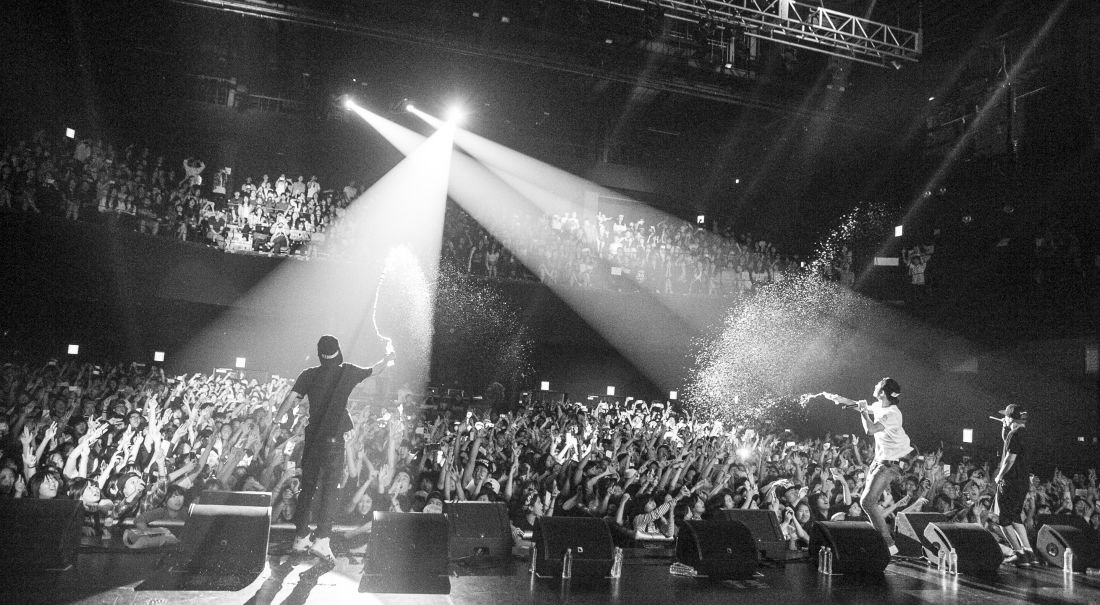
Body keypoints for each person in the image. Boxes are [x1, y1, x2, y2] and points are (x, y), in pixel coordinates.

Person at [274, 334, 395, 561]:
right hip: (333, 443)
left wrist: (275, 421)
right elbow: (375, 370)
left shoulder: (309, 374)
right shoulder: (346, 371)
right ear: (338, 352)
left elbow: (290, 399)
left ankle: (300, 538)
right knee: (330, 491)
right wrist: (388, 357)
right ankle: (322, 540)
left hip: (312, 441)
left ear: (320, 355)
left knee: (307, 488)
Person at [825, 377, 912, 556]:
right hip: (880, 462)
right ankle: (884, 542)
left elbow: (870, 429)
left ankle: (889, 545)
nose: (875, 385)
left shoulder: (893, 414)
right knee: (867, 502)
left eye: (878, 385)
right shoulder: (880, 406)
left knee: (867, 502)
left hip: (890, 465)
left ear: (883, 392)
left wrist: (864, 411)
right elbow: (859, 406)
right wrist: (840, 399)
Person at [992, 404, 1037, 567]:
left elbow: (1010, 458)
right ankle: (1029, 553)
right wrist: (1005, 427)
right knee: (1015, 517)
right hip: (1023, 482)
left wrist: (999, 476)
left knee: (1003, 519)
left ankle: (1018, 553)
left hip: (1010, 481)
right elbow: (1008, 442)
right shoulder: (1026, 434)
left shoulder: (1015, 434)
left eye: (1006, 416)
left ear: (1011, 418)